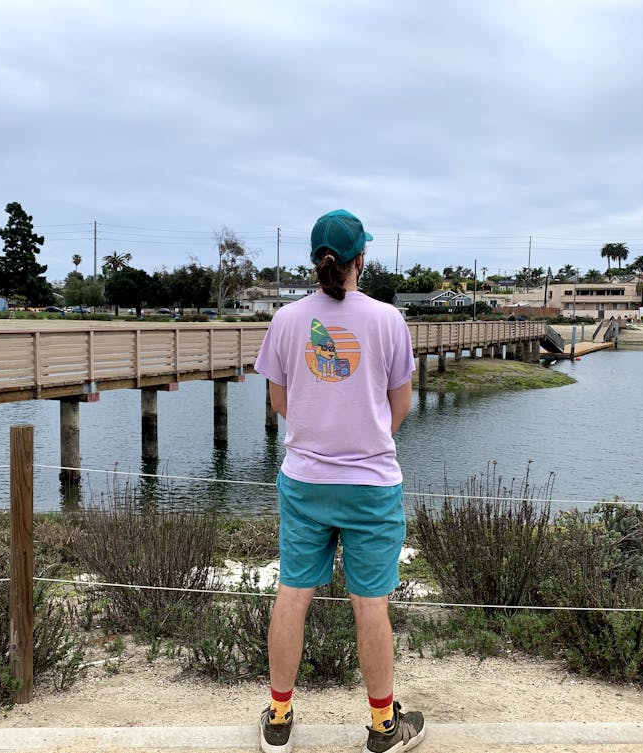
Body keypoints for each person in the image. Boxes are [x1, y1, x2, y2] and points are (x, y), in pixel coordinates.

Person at [254, 209, 425, 753]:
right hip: (372, 482)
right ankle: (382, 727)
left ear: (314, 258)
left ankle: (279, 718)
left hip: (304, 480)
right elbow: (400, 405)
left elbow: (280, 401)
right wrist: (364, 434)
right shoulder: (387, 320)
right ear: (360, 261)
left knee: (293, 592)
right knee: (369, 602)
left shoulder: (285, 320)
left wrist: (319, 433)